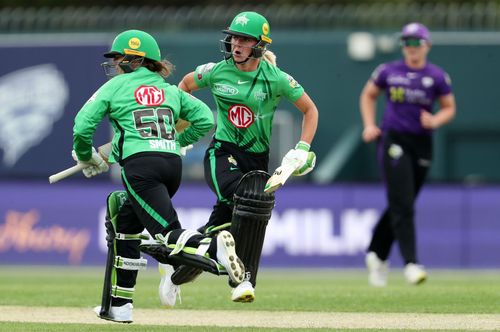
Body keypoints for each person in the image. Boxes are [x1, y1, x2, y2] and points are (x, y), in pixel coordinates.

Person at [71, 29, 245, 323]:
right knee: (124, 220)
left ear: (133, 61)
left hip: (141, 169)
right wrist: (176, 141)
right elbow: (205, 118)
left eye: (118, 59)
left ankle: (215, 249)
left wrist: (88, 156)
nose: (115, 65)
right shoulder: (170, 90)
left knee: (166, 234)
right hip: (170, 165)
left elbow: (81, 126)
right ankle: (119, 305)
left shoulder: (114, 87)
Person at [158, 11, 319, 306]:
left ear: (259, 45)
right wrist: (180, 125)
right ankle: (243, 280)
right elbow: (184, 85)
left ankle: (176, 266)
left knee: (223, 229)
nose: (235, 44)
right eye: (233, 37)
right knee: (253, 204)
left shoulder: (276, 79)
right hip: (222, 154)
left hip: (256, 161)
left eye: (244, 39)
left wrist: (301, 147)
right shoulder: (217, 71)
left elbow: (310, 111)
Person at [359, 23, 456, 286]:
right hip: (393, 139)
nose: (412, 48)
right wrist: (370, 125)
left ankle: (377, 252)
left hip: (422, 143)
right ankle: (411, 263)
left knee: (403, 202)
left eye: (417, 42)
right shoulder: (388, 71)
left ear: (427, 45)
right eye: (407, 42)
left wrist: (435, 121)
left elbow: (449, 107)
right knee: (403, 202)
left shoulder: (436, 76)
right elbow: (368, 95)